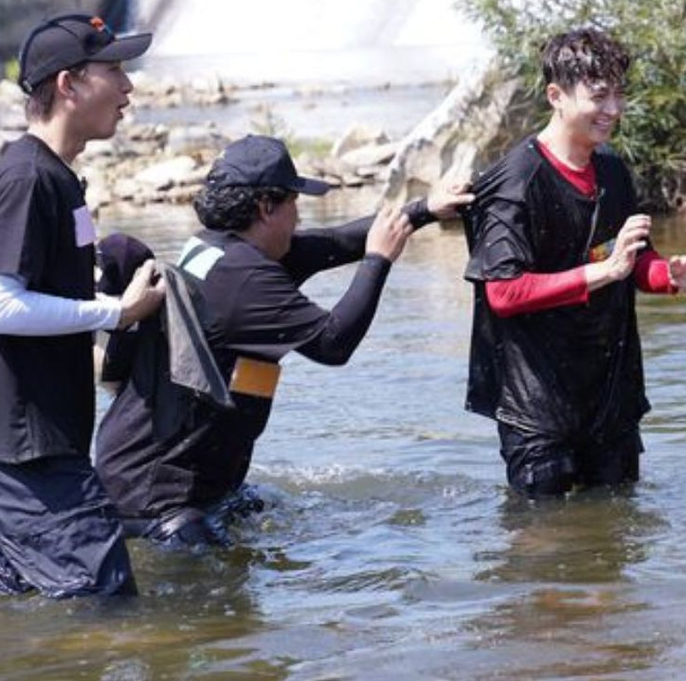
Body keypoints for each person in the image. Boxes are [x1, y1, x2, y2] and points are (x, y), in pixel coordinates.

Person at [94, 134, 473, 547]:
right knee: (213, 605)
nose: (298, 215)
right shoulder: (246, 280)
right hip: (155, 498)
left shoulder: (218, 250)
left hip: (163, 476)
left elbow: (336, 241)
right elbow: (332, 344)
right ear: (266, 207)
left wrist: (425, 210)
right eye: (294, 202)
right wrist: (378, 261)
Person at [0, 13, 166, 597]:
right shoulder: (27, 176)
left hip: (19, 439)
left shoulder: (57, 177)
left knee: (6, 606)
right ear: (69, 85)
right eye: (115, 71)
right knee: (107, 594)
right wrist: (116, 313)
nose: (128, 89)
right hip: (25, 447)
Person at [463, 27, 686, 498]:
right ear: (555, 95)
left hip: (609, 396)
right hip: (535, 404)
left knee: (615, 541)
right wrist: (606, 271)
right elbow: (503, 292)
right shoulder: (516, 181)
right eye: (600, 96)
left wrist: (665, 276)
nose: (614, 110)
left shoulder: (613, 170)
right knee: (546, 550)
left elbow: (633, 260)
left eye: (620, 95)